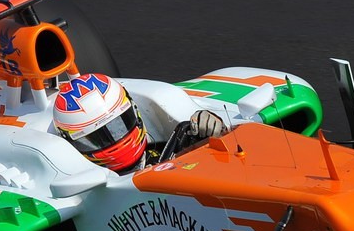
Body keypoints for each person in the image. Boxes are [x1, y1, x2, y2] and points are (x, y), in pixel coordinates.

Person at [52, 73, 226, 172]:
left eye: (119, 125)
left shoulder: (177, 143)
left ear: (134, 110)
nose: (115, 141)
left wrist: (217, 133)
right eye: (95, 139)